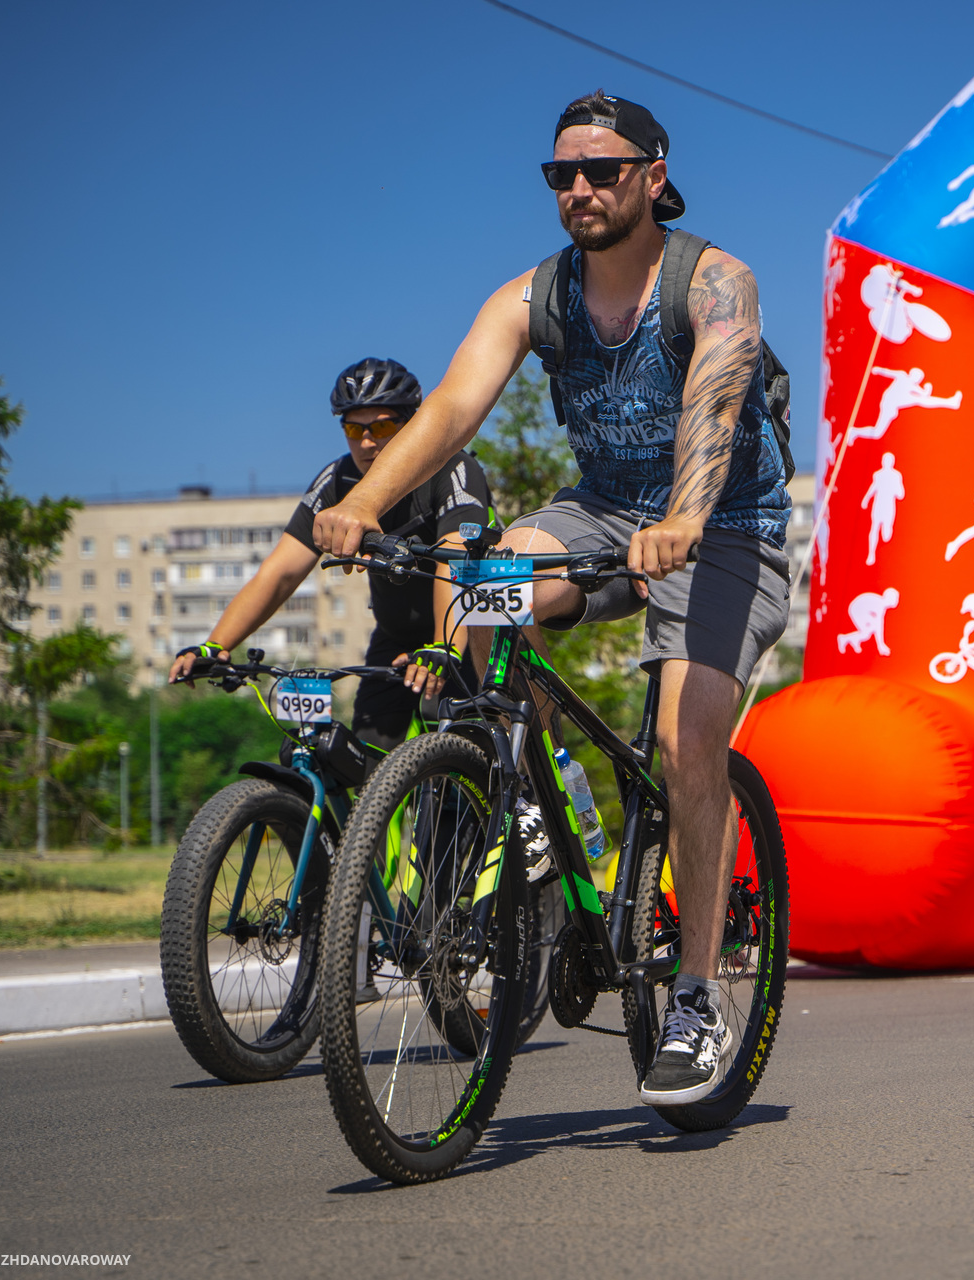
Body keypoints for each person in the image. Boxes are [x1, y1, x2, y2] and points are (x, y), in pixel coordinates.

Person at [311, 91, 793, 1107]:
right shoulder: (532, 298)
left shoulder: (714, 281)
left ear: (653, 176)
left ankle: (696, 996)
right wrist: (360, 503)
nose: (579, 188)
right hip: (602, 510)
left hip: (722, 525)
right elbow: (452, 407)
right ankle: (528, 785)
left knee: (686, 742)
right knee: (477, 589)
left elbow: (714, 401)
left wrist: (685, 515)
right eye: (561, 174)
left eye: (602, 171)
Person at [166, 358, 493, 747]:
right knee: (367, 759)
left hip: (468, 629)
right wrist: (215, 645)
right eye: (354, 429)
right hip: (395, 637)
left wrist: (444, 645)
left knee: (473, 755)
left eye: (382, 427)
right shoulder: (338, 480)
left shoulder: (452, 467)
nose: (367, 442)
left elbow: (455, 560)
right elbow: (281, 572)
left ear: (412, 424)